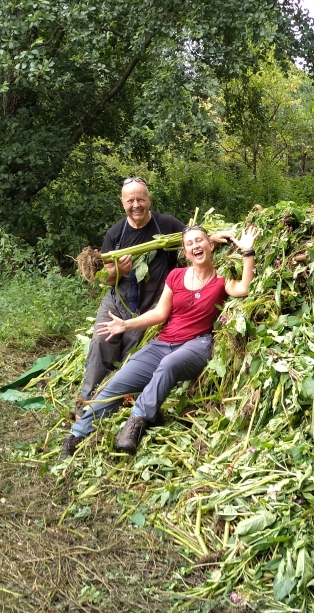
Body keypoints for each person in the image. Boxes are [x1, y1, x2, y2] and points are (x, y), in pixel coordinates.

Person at [62, 223, 259, 457]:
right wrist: (125, 324)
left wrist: (248, 252)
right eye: (189, 243)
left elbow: (244, 287)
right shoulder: (175, 276)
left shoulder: (221, 279)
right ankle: (78, 434)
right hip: (163, 343)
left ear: (210, 245)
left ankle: (136, 422)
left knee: (169, 365)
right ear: (185, 252)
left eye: (200, 240)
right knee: (116, 383)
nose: (195, 245)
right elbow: (160, 314)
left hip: (198, 344)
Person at [80, 177, 233, 405]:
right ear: (122, 202)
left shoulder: (167, 225)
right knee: (101, 343)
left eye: (141, 199)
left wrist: (212, 238)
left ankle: (112, 402)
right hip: (117, 302)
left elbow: (190, 243)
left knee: (131, 357)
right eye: (130, 200)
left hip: (150, 304)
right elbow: (106, 280)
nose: (136, 205)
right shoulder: (115, 234)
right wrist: (118, 272)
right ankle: (85, 403)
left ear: (149, 199)